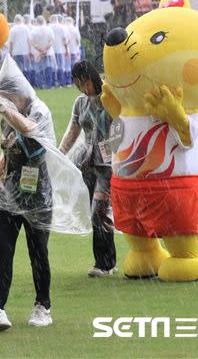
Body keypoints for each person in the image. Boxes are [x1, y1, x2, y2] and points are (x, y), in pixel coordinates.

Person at [0, 58, 89, 331]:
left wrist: (3, 106)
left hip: (37, 196)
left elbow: (27, 129)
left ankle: (42, 306)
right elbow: (7, 151)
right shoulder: (8, 115)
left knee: (38, 254)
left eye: (7, 96)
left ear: (17, 94)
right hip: (8, 196)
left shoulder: (39, 111)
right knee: (4, 252)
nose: (3, 102)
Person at [58, 61, 117, 277]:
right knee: (93, 213)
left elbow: (119, 128)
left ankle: (106, 263)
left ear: (91, 78)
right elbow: (72, 132)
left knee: (99, 212)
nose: (81, 87)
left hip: (108, 165)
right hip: (86, 164)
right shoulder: (80, 103)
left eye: (82, 82)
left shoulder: (109, 98)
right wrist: (59, 154)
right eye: (77, 83)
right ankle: (101, 261)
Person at [7, 14, 31, 79]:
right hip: (25, 52)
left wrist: (10, 52)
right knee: (26, 68)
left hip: (16, 52)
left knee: (17, 69)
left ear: (14, 20)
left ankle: (19, 83)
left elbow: (11, 42)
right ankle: (27, 82)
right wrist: (30, 50)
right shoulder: (26, 28)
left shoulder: (12, 30)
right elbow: (29, 40)